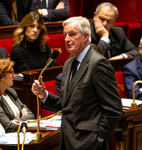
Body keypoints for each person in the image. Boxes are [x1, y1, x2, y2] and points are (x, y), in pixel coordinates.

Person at [31, 16, 123, 150]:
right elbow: (66, 105)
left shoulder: (98, 63)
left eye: (72, 34)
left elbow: (114, 109)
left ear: (85, 36)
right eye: (65, 35)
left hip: (88, 143)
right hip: (67, 140)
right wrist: (44, 94)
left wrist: (99, 138)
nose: (67, 39)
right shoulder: (68, 64)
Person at [0, 58, 35, 133]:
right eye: (11, 72)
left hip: (20, 132)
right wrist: (22, 119)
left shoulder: (10, 91)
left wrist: (14, 121)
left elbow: (31, 115)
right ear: (0, 76)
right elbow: (7, 126)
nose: (14, 75)